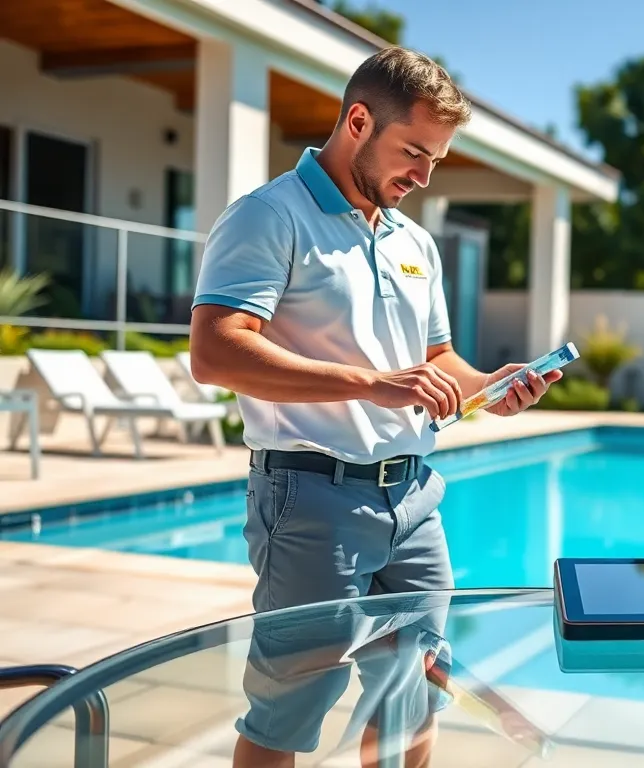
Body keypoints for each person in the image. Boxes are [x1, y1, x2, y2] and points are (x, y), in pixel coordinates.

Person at [188, 46, 562, 768]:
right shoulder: (269, 217)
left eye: (437, 162)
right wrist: (368, 382)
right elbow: (217, 353)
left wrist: (494, 386)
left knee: (413, 696)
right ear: (358, 120)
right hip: (308, 500)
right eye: (413, 153)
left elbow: (436, 362)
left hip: (415, 501)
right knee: (287, 713)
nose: (422, 178)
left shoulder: (414, 240)